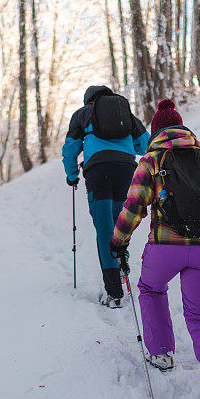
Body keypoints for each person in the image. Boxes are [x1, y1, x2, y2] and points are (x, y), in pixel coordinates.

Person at [109, 99, 200, 399]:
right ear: (182, 129)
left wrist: (118, 241)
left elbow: (134, 207)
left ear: (156, 133)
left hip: (165, 249)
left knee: (151, 289)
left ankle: (162, 354)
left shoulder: (152, 161)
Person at [62, 86, 149, 308]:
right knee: (120, 224)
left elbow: (71, 148)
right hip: (126, 170)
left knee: (104, 230)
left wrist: (72, 175)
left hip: (98, 172)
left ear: (88, 99)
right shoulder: (124, 114)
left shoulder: (82, 114)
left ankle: (114, 293)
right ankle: (121, 266)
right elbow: (144, 144)